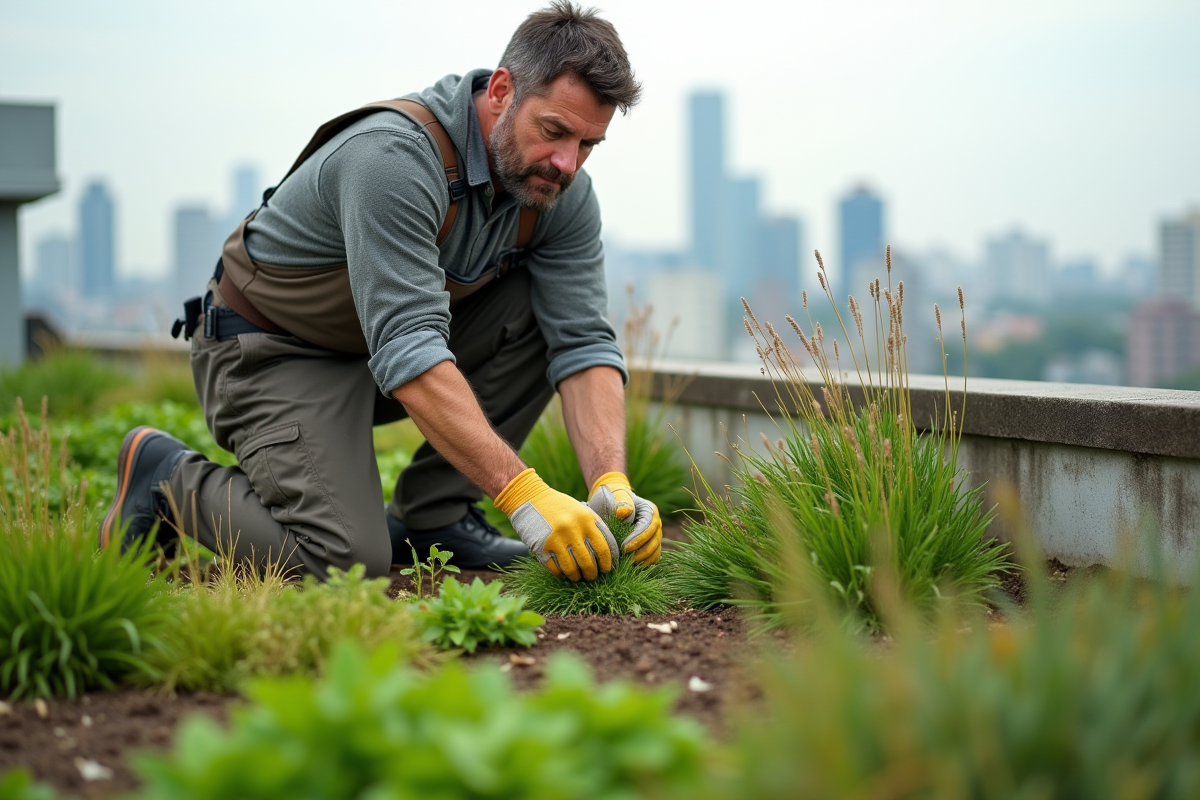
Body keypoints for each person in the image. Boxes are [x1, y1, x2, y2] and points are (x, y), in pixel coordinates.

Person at [100, 1, 662, 582]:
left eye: (588, 144)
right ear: (501, 91)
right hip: (271, 354)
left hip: (370, 356)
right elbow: (410, 348)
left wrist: (609, 482)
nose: (568, 163)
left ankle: (435, 517)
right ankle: (165, 478)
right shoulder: (393, 159)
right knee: (342, 560)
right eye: (554, 132)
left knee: (539, 308)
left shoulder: (558, 191)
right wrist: (525, 494)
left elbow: (584, 342)